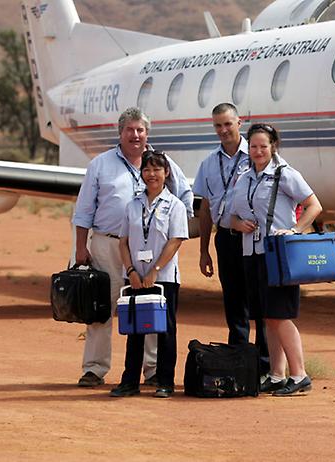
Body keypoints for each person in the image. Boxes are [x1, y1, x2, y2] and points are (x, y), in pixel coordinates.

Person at [72, 107, 193, 388]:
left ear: (147, 133)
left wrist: (174, 226)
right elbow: (84, 209)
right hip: (108, 244)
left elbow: (185, 195)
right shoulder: (100, 165)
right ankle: (94, 368)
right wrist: (80, 247)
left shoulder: (163, 162)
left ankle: (152, 369)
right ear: (120, 133)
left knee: (150, 308)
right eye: (130, 130)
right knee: (101, 309)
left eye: (140, 130)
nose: (135, 135)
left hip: (150, 250)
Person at [231, 123, 322, 396]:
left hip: (278, 254)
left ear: (273, 147)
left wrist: (295, 230)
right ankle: (276, 374)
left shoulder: (285, 174)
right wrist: (238, 224)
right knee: (267, 317)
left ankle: (300, 374)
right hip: (252, 253)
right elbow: (233, 216)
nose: (258, 151)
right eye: (253, 146)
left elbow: (314, 205)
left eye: (263, 146)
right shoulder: (244, 178)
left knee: (280, 315)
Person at [192, 103, 270, 374]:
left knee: (259, 301)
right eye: (218, 125)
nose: (223, 130)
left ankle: (264, 365)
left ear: (239, 123)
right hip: (225, 238)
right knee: (234, 303)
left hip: (253, 238)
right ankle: (239, 363)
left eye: (228, 124)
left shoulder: (257, 155)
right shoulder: (209, 163)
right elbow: (205, 209)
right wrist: (204, 250)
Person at [110, 150, 188, 398]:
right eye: (147, 169)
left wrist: (154, 271)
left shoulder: (175, 205)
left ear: (166, 173)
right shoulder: (132, 205)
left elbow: (176, 240)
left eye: (157, 169)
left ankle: (165, 382)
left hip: (163, 278)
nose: (151, 174)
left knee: (165, 330)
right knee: (134, 330)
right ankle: (129, 381)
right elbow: (123, 242)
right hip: (135, 276)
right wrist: (131, 270)